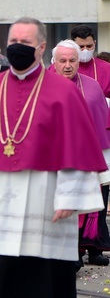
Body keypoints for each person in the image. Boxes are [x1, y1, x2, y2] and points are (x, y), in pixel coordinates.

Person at [0, 17, 107, 298]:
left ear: (41, 47)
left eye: (25, 43)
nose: (18, 48)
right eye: (13, 42)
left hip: (43, 206)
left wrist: (70, 197)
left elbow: (77, 147)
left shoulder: (63, 92)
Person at [51, 39, 110, 267]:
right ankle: (70, 252)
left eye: (72, 61)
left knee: (94, 204)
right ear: (54, 62)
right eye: (63, 61)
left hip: (90, 155)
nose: (68, 65)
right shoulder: (43, 86)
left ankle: (92, 248)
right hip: (58, 158)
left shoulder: (92, 85)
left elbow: (101, 121)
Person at [70, 25, 110, 98]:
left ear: (94, 43)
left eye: (89, 46)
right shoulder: (60, 67)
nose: (85, 50)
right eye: (81, 47)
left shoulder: (107, 68)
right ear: (73, 45)